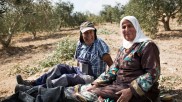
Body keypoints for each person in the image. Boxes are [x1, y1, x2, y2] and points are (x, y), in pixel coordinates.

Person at [3, 16, 160, 102]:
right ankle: (31, 90)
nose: (126, 30)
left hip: (129, 90)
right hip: (115, 85)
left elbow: (152, 74)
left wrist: (131, 90)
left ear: (137, 27)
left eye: (129, 26)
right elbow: (113, 70)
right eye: (123, 27)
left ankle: (36, 97)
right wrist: (96, 82)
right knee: (78, 87)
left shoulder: (147, 46)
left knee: (81, 92)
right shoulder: (123, 48)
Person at [16, 21, 113, 88]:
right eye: (85, 33)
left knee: (66, 78)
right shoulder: (80, 43)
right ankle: (33, 83)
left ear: (94, 32)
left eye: (91, 32)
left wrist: (108, 80)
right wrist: (76, 73)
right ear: (81, 34)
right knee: (59, 67)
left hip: (92, 77)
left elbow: (111, 65)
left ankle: (37, 89)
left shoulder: (99, 45)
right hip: (80, 71)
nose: (89, 36)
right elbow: (78, 62)